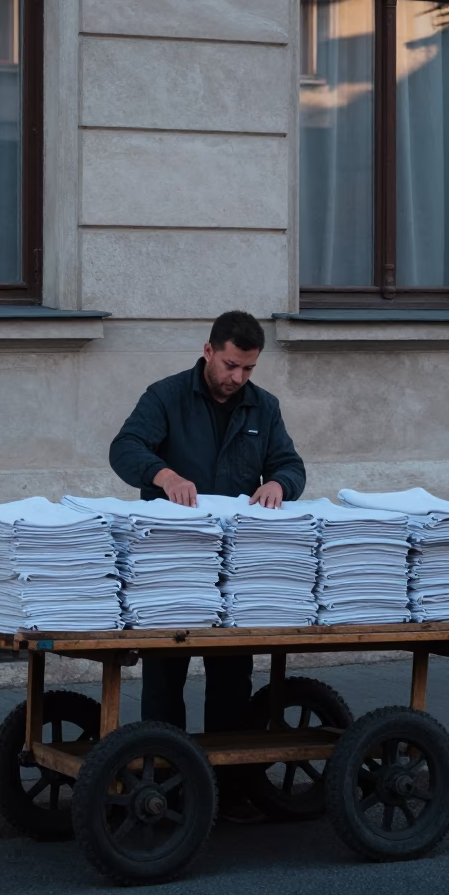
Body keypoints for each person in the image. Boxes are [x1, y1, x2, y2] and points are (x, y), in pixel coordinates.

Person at [109, 310, 306, 821]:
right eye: (231, 365)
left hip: (235, 572)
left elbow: (290, 463)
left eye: (248, 369)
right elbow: (125, 448)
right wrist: (164, 474)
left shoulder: (264, 407)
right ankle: (166, 788)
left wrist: (279, 485)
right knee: (164, 681)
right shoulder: (166, 396)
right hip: (170, 568)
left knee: (230, 679)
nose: (237, 378)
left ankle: (228, 790)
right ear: (208, 351)